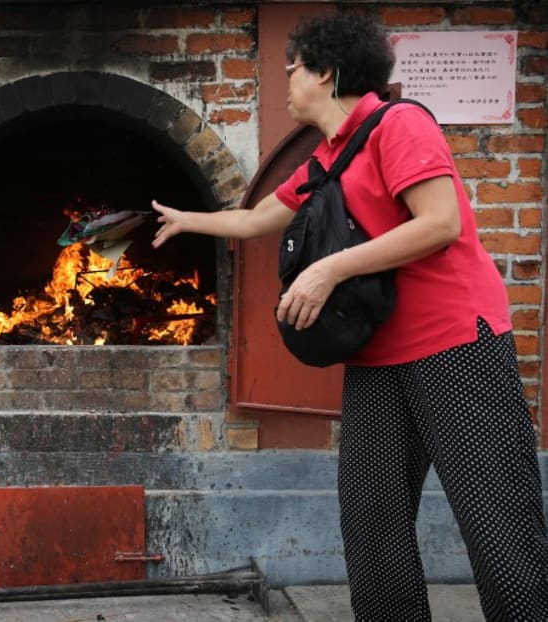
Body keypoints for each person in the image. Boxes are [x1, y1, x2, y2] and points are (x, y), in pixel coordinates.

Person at [152, 12, 548, 622]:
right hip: (378, 357)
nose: (285, 82)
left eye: (293, 69)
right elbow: (257, 221)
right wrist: (187, 220)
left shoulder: (400, 125)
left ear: (327, 73)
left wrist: (327, 268)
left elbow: (439, 223)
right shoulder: (327, 161)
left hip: (455, 347)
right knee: (372, 522)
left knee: (498, 522)